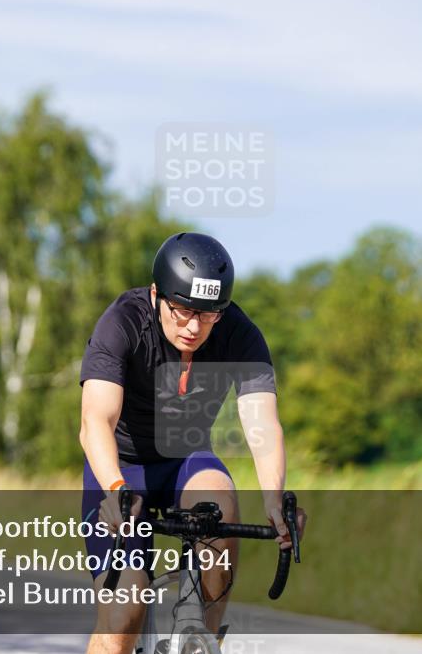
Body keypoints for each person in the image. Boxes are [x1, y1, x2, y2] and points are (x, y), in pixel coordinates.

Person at [79, 232, 307, 654]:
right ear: (156, 295)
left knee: (220, 498)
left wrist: (275, 501)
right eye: (182, 311)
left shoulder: (240, 333)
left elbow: (262, 423)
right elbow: (96, 420)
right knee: (123, 612)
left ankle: (203, 638)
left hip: (185, 459)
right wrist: (114, 489)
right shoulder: (123, 321)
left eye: (207, 315)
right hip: (121, 466)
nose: (192, 327)